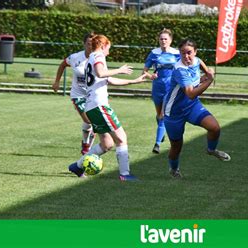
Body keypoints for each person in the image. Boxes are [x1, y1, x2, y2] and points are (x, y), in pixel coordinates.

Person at [68, 34, 148, 181]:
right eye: (108, 49)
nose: (108, 52)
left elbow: (108, 79)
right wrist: (120, 69)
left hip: (91, 107)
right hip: (99, 105)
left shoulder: (90, 59)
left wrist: (134, 81)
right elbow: (101, 73)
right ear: (103, 46)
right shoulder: (98, 56)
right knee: (121, 138)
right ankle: (125, 174)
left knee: (107, 144)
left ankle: (77, 166)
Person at [163, 38, 231, 179]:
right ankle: (174, 170)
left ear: (195, 52)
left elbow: (201, 65)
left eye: (189, 53)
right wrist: (210, 80)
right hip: (174, 113)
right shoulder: (179, 70)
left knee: (215, 128)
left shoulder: (197, 60)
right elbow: (191, 94)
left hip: (192, 106)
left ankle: (211, 150)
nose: (186, 56)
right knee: (176, 147)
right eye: (183, 53)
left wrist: (207, 73)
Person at [52, 32, 96, 155]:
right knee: (89, 121)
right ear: (84, 44)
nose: (90, 46)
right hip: (78, 96)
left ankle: (87, 149)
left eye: (93, 44)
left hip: (93, 95)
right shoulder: (75, 57)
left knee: (95, 124)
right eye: (88, 44)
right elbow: (63, 64)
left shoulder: (98, 59)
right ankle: (86, 147)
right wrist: (57, 82)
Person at [143, 29, 180, 154]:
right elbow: (144, 71)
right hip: (157, 87)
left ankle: (157, 144)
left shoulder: (177, 53)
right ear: (158, 40)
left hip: (170, 88)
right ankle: (161, 131)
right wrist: (150, 76)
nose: (163, 41)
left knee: (163, 116)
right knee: (159, 115)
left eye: (165, 39)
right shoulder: (154, 53)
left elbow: (184, 66)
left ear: (170, 40)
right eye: (161, 39)